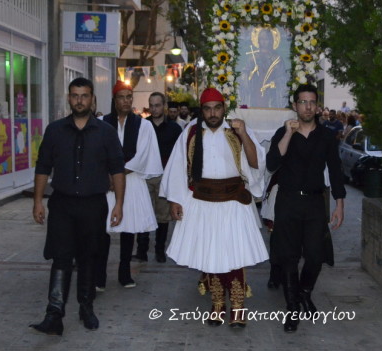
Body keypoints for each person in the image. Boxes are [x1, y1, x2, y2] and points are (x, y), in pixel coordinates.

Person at [160, 88, 268, 328]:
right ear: (202, 110)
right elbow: (177, 167)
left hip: (234, 202)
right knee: (212, 255)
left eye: (217, 108)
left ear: (223, 108)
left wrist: (244, 134)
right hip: (203, 202)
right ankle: (217, 304)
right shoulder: (191, 132)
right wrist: (175, 200)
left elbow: (256, 163)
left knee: (234, 255)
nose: (212, 114)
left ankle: (238, 306)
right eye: (207, 109)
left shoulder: (237, 129)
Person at [30, 77, 125, 335]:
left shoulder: (106, 132)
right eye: (75, 95)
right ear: (69, 98)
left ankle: (86, 307)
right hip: (62, 204)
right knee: (60, 257)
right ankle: (54, 314)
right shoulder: (55, 130)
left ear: (92, 99)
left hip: (93, 205)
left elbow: (117, 169)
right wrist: (38, 201)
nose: (79, 100)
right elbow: (43, 167)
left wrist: (119, 204)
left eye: (84, 96)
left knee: (88, 256)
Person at [266, 84, 346, 333]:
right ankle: (292, 308)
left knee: (315, 255)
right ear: (295, 105)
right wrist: (288, 134)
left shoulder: (326, 136)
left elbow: (335, 171)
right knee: (288, 257)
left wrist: (339, 204)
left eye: (312, 102)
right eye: (303, 102)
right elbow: (271, 163)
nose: (308, 107)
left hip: (314, 202)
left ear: (317, 106)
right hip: (288, 201)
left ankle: (304, 292)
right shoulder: (283, 132)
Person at [95, 81, 163, 289]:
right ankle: (99, 275)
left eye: (128, 97)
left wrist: (117, 174)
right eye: (121, 97)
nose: (125, 101)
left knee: (129, 229)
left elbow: (142, 156)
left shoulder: (144, 125)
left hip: (131, 180)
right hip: (106, 182)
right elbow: (96, 153)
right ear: (114, 100)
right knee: (102, 229)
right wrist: (108, 176)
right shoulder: (101, 122)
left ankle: (124, 273)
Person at [134, 92, 183, 262]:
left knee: (163, 215)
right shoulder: (142, 126)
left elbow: (179, 154)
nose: (154, 109)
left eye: (157, 105)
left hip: (164, 176)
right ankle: (141, 250)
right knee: (143, 212)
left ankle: (160, 250)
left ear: (164, 106)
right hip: (145, 175)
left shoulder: (174, 129)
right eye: (151, 105)